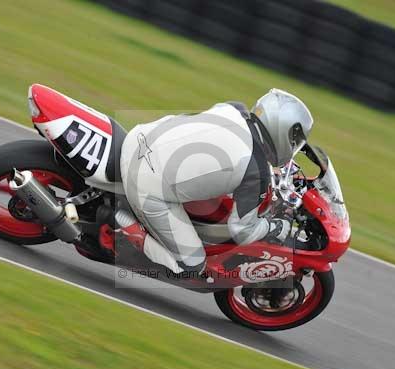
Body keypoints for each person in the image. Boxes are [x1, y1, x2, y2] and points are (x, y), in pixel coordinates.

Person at [116, 88, 314, 274]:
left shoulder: (233, 108)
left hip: (138, 138)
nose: (293, 146)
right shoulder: (256, 170)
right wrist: (278, 227)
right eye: (294, 140)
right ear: (281, 130)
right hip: (144, 183)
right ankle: (123, 226)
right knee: (193, 265)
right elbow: (243, 231)